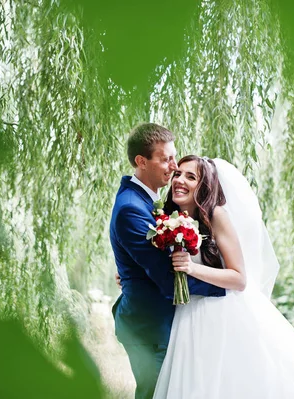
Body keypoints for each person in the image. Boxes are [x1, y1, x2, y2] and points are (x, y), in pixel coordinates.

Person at [152, 155, 294, 399]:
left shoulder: (217, 216)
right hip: (188, 313)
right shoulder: (170, 219)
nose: (179, 180)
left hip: (220, 312)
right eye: (178, 174)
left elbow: (239, 278)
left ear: (204, 186)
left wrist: (192, 269)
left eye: (190, 176)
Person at [109, 124, 225, 399]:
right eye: (166, 159)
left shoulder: (147, 202)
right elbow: (166, 277)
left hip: (157, 321)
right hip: (149, 327)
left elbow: (147, 261)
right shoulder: (131, 209)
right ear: (141, 161)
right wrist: (225, 288)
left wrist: (130, 274)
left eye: (174, 157)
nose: (174, 167)